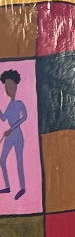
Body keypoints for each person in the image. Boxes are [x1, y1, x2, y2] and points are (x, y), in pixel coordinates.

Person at [0, 70, 28, 200]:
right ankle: (7, 186)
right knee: (2, 160)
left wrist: (11, 129)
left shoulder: (19, 103)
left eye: (10, 85)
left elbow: (24, 117)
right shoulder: (10, 105)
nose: (8, 89)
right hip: (10, 134)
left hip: (17, 134)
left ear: (16, 86)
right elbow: (3, 118)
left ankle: (22, 188)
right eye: (6, 86)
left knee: (19, 160)